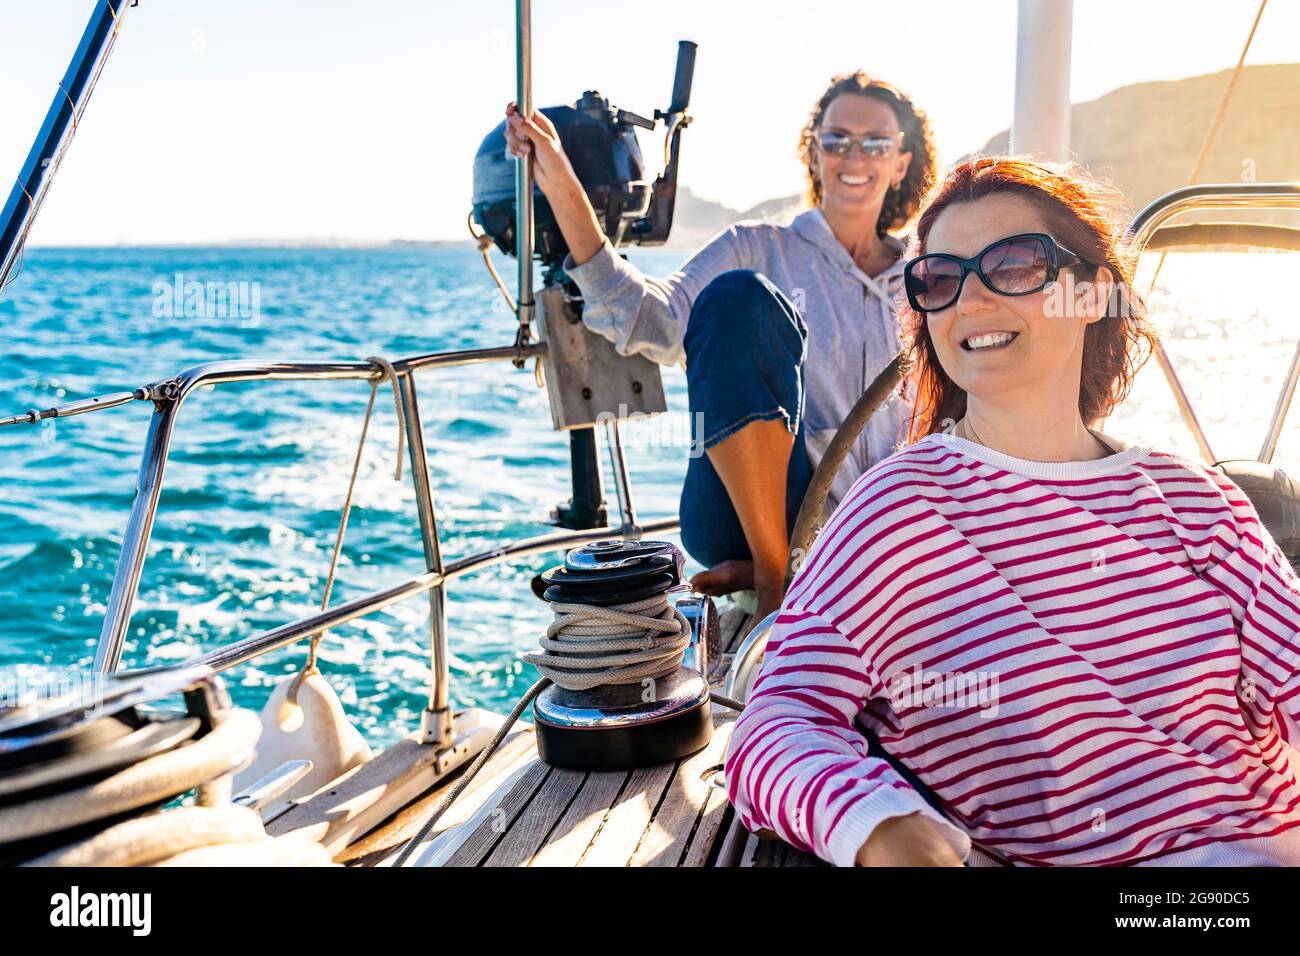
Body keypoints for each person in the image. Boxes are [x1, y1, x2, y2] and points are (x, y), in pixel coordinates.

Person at [725, 156, 1300, 867]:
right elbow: (778, 723)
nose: (970, 300)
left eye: (1016, 264)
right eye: (939, 279)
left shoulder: (1195, 500)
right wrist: (881, 827)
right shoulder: (900, 511)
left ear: (1092, 294)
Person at [503, 72, 936, 625]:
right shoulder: (755, 246)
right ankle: (776, 581)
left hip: (884, 535)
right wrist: (562, 179)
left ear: (901, 160)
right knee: (737, 298)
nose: (855, 155)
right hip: (753, 520)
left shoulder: (928, 274)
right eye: (837, 139)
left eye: (876, 143)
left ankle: (829, 566)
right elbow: (647, 319)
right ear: (815, 150)